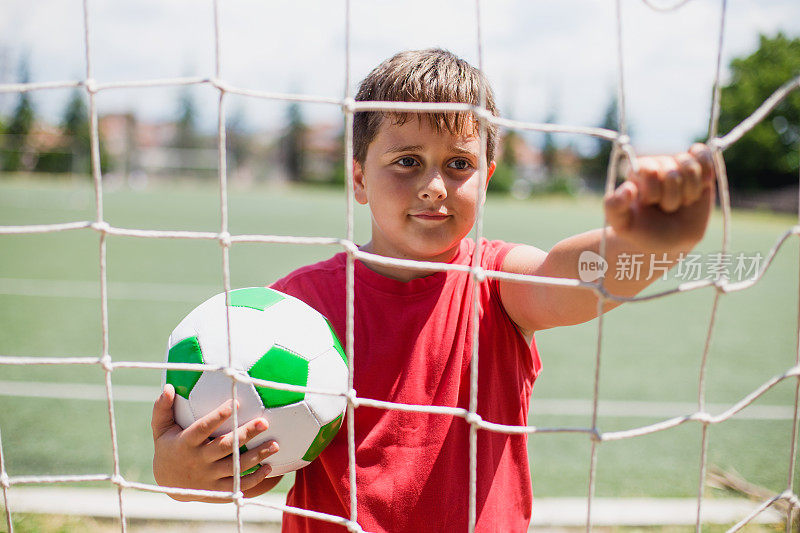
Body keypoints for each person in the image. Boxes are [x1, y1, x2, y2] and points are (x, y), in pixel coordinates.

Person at [151, 49, 716, 532]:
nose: (433, 186)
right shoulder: (293, 313)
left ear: (486, 178)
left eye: (459, 164)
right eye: (406, 161)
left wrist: (647, 242)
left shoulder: (497, 284)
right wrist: (180, 474)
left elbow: (567, 281)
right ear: (357, 179)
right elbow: (222, 474)